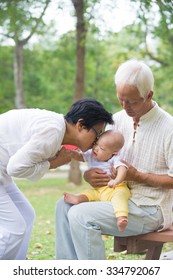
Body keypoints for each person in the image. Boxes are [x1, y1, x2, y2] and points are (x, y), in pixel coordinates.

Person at [55, 59, 173, 260]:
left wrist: (138, 176)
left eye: (132, 101)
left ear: (149, 95)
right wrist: (90, 175)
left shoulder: (168, 127)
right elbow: (96, 156)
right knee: (62, 206)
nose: (125, 106)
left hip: (150, 208)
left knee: (80, 215)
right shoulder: (115, 121)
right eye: (121, 99)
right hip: (111, 197)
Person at [0, 97, 113, 260]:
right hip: (4, 170)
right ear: (81, 125)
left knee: (27, 215)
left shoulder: (56, 128)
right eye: (97, 134)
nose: (97, 141)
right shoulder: (52, 132)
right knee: (15, 228)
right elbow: (16, 168)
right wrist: (53, 164)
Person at [64, 130, 130, 232]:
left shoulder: (114, 159)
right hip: (97, 190)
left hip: (114, 189)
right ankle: (78, 199)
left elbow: (122, 168)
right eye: (96, 143)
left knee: (119, 197)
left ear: (114, 152)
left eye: (102, 148)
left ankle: (121, 217)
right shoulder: (91, 154)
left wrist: (117, 180)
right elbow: (80, 156)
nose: (96, 148)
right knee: (88, 194)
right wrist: (71, 153)